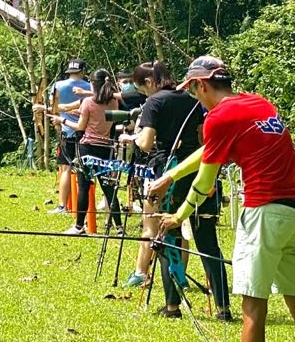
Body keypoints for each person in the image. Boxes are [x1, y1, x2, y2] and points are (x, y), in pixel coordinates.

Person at [150, 56, 295, 342]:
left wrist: (179, 215)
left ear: (202, 85)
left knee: (252, 307)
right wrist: (171, 176)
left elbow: (206, 181)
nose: (195, 100)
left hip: (263, 215)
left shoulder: (217, 118)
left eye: (194, 91)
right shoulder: (259, 104)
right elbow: (210, 152)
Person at [131, 60, 230, 320]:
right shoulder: (193, 101)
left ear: (150, 82)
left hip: (169, 172)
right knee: (208, 241)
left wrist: (131, 137)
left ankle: (172, 307)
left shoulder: (153, 103)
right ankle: (223, 309)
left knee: (169, 236)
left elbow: (146, 142)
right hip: (199, 169)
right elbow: (202, 139)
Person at [65, 68, 121, 235]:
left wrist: (63, 120)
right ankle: (119, 227)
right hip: (106, 148)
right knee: (108, 188)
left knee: (83, 187)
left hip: (87, 148)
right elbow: (106, 122)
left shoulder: (88, 102)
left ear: (92, 84)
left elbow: (80, 127)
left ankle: (79, 226)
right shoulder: (113, 102)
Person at [38, 59, 92, 216]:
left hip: (65, 130)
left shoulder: (58, 86)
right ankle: (87, 206)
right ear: (82, 71)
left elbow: (51, 106)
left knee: (65, 169)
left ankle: (63, 206)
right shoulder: (90, 87)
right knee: (87, 169)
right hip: (85, 132)